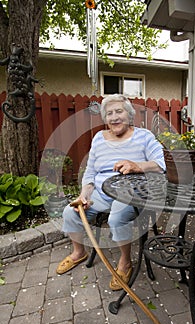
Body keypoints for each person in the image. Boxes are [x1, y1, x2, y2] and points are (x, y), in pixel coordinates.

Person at [56, 94, 166, 290]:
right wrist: (85, 194)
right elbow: (90, 171)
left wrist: (137, 165)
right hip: (101, 192)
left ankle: (125, 262)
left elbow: (159, 165)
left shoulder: (144, 136)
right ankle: (78, 252)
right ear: (105, 119)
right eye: (109, 114)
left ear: (130, 115)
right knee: (70, 212)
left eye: (119, 111)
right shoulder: (99, 138)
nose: (114, 117)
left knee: (116, 218)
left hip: (132, 192)